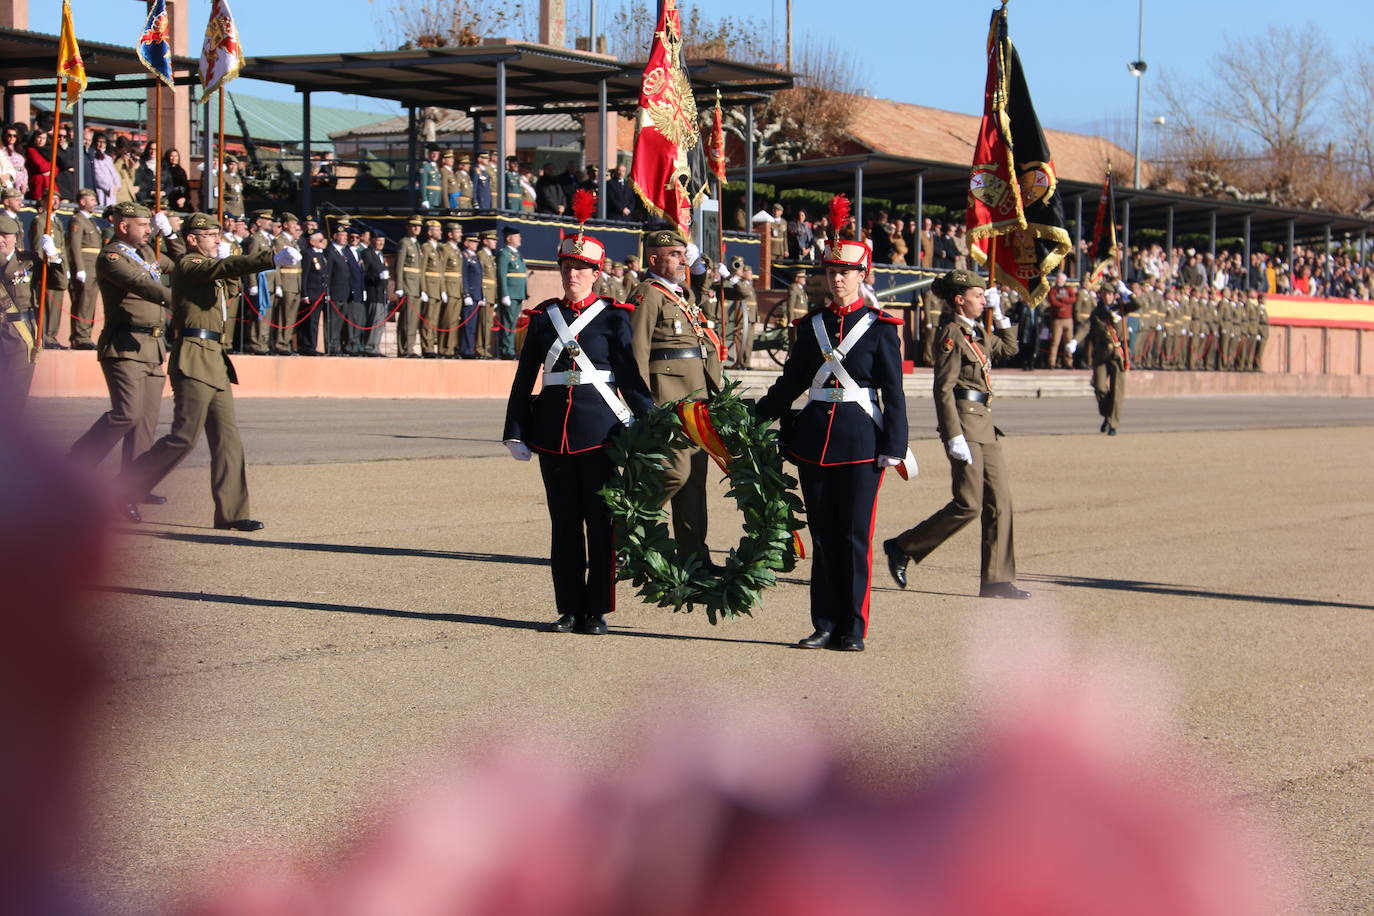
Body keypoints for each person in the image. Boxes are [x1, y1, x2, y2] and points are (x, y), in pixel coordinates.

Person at [754, 208, 909, 651]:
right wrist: (756, 416)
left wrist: (893, 446)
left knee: (854, 538)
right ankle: (824, 622)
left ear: (863, 274)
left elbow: (894, 393)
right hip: (815, 443)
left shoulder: (881, 330)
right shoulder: (812, 327)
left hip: (863, 444)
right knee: (822, 538)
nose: (837, 279)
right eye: (831, 271)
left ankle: (853, 628)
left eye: (846, 272)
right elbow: (791, 384)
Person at [501, 229, 653, 635]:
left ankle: (597, 609)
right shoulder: (543, 317)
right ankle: (568, 608)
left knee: (602, 525)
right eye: (568, 267)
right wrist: (516, 428)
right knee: (563, 527)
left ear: (595, 273)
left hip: (601, 434)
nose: (573, 275)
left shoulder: (614, 317)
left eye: (582, 269)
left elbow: (631, 379)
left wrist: (650, 424)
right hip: (553, 434)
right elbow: (524, 378)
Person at [123, 212, 301, 530]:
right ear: (192, 239)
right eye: (211, 236)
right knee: (184, 437)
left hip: (215, 358)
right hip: (192, 356)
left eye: (219, 234)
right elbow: (222, 268)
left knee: (227, 439)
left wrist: (229, 261)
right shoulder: (189, 264)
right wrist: (270, 257)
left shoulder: (210, 267)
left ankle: (232, 513)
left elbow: (229, 286)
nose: (218, 240)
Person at [882, 268, 1030, 600]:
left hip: (985, 426)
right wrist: (952, 434)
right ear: (960, 300)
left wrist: (1001, 312)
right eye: (979, 296)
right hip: (965, 424)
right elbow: (943, 389)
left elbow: (1009, 349)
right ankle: (903, 546)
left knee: (1000, 503)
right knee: (969, 504)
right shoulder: (952, 334)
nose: (983, 300)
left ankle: (997, 579)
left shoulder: (976, 333)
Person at [69, 203, 183, 519]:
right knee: (127, 413)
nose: (148, 230)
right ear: (123, 226)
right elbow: (143, 285)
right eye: (142, 225)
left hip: (152, 346)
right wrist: (181, 301)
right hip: (124, 346)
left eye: (150, 225)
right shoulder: (112, 257)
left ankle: (131, 488)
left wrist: (172, 234)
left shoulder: (148, 254)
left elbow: (182, 264)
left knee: (144, 423)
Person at [628, 229, 724, 570]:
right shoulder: (648, 294)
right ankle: (626, 528)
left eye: (683, 255)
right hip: (666, 399)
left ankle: (695, 556)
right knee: (675, 473)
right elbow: (637, 350)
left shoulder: (679, 293)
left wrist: (700, 268)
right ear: (653, 259)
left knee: (695, 481)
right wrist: (641, 403)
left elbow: (701, 293)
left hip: (696, 395)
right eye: (674, 255)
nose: (682, 260)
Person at [1068, 282, 1131, 435]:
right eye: (1105, 294)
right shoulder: (1097, 311)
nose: (1107, 297)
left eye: (1110, 294)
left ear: (1115, 295)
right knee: (1099, 387)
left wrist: (1128, 294)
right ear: (1101, 295)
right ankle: (1107, 413)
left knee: (1117, 391)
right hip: (1101, 354)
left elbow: (1138, 305)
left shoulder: (1121, 308)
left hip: (1118, 354)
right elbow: (1086, 327)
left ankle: (1112, 423)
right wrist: (1075, 340)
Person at [0, 213, 39, 409]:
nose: (0, 240)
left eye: (5, 235)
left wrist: (56, 259)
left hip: (19, 332)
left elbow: (59, 283)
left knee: (15, 396)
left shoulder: (28, 261)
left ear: (15, 237)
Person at [67, 188, 103, 350]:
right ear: (82, 202)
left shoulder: (91, 221)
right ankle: (80, 336)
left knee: (91, 302)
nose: (95, 203)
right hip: (86, 265)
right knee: (83, 301)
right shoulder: (78, 220)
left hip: (94, 266)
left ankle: (86, 334)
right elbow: (75, 246)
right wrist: (80, 268)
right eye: (92, 200)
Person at [324, 222, 364, 356]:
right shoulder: (331, 251)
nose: (345, 238)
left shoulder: (344, 252)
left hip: (345, 293)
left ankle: (338, 345)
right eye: (342, 235)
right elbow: (327, 273)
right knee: (333, 322)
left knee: (341, 323)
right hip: (335, 292)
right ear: (335, 236)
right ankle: (332, 346)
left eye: (345, 235)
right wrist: (327, 292)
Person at [494, 228, 527, 359]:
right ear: (509, 238)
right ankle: (507, 349)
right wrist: (504, 294)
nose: (520, 239)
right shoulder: (504, 253)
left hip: (518, 294)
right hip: (510, 293)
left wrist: (524, 293)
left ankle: (510, 348)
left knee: (513, 322)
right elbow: (501, 275)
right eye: (516, 236)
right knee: (507, 323)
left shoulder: (517, 254)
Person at [393, 217, 423, 357]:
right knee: (406, 319)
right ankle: (404, 348)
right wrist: (399, 286)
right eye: (414, 226)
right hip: (407, 285)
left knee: (413, 320)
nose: (417, 228)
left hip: (416, 287)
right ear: (408, 227)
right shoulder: (404, 243)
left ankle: (409, 347)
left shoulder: (417, 244)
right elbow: (399, 266)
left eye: (418, 226)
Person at [297, 230, 329, 356]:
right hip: (311, 293)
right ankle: (307, 345)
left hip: (319, 293)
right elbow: (305, 275)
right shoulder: (308, 254)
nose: (323, 243)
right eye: (320, 240)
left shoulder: (320, 255)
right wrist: (304, 293)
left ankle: (312, 345)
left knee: (315, 321)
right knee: (309, 322)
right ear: (312, 241)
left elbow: (324, 275)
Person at [438, 221, 464, 358]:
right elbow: (441, 270)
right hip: (449, 288)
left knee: (454, 321)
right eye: (457, 232)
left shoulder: (457, 250)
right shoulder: (445, 248)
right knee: (446, 320)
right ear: (450, 234)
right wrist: (442, 289)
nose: (460, 234)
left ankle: (450, 348)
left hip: (457, 290)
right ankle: (443, 349)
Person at [460, 231, 485, 358]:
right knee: (467, 325)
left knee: (473, 326)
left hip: (476, 295)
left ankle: (469, 348)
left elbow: (479, 278)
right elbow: (463, 276)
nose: (476, 244)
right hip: (469, 295)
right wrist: (466, 294)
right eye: (473, 242)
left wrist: (481, 295)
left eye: (476, 242)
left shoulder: (475, 257)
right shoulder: (464, 256)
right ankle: (465, 350)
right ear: (466, 243)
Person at [419, 146, 443, 210]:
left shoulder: (436, 166)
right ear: (428, 154)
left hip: (437, 198)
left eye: (436, 154)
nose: (435, 155)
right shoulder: (425, 166)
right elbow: (423, 183)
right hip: (430, 197)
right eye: (433, 153)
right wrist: (424, 199)